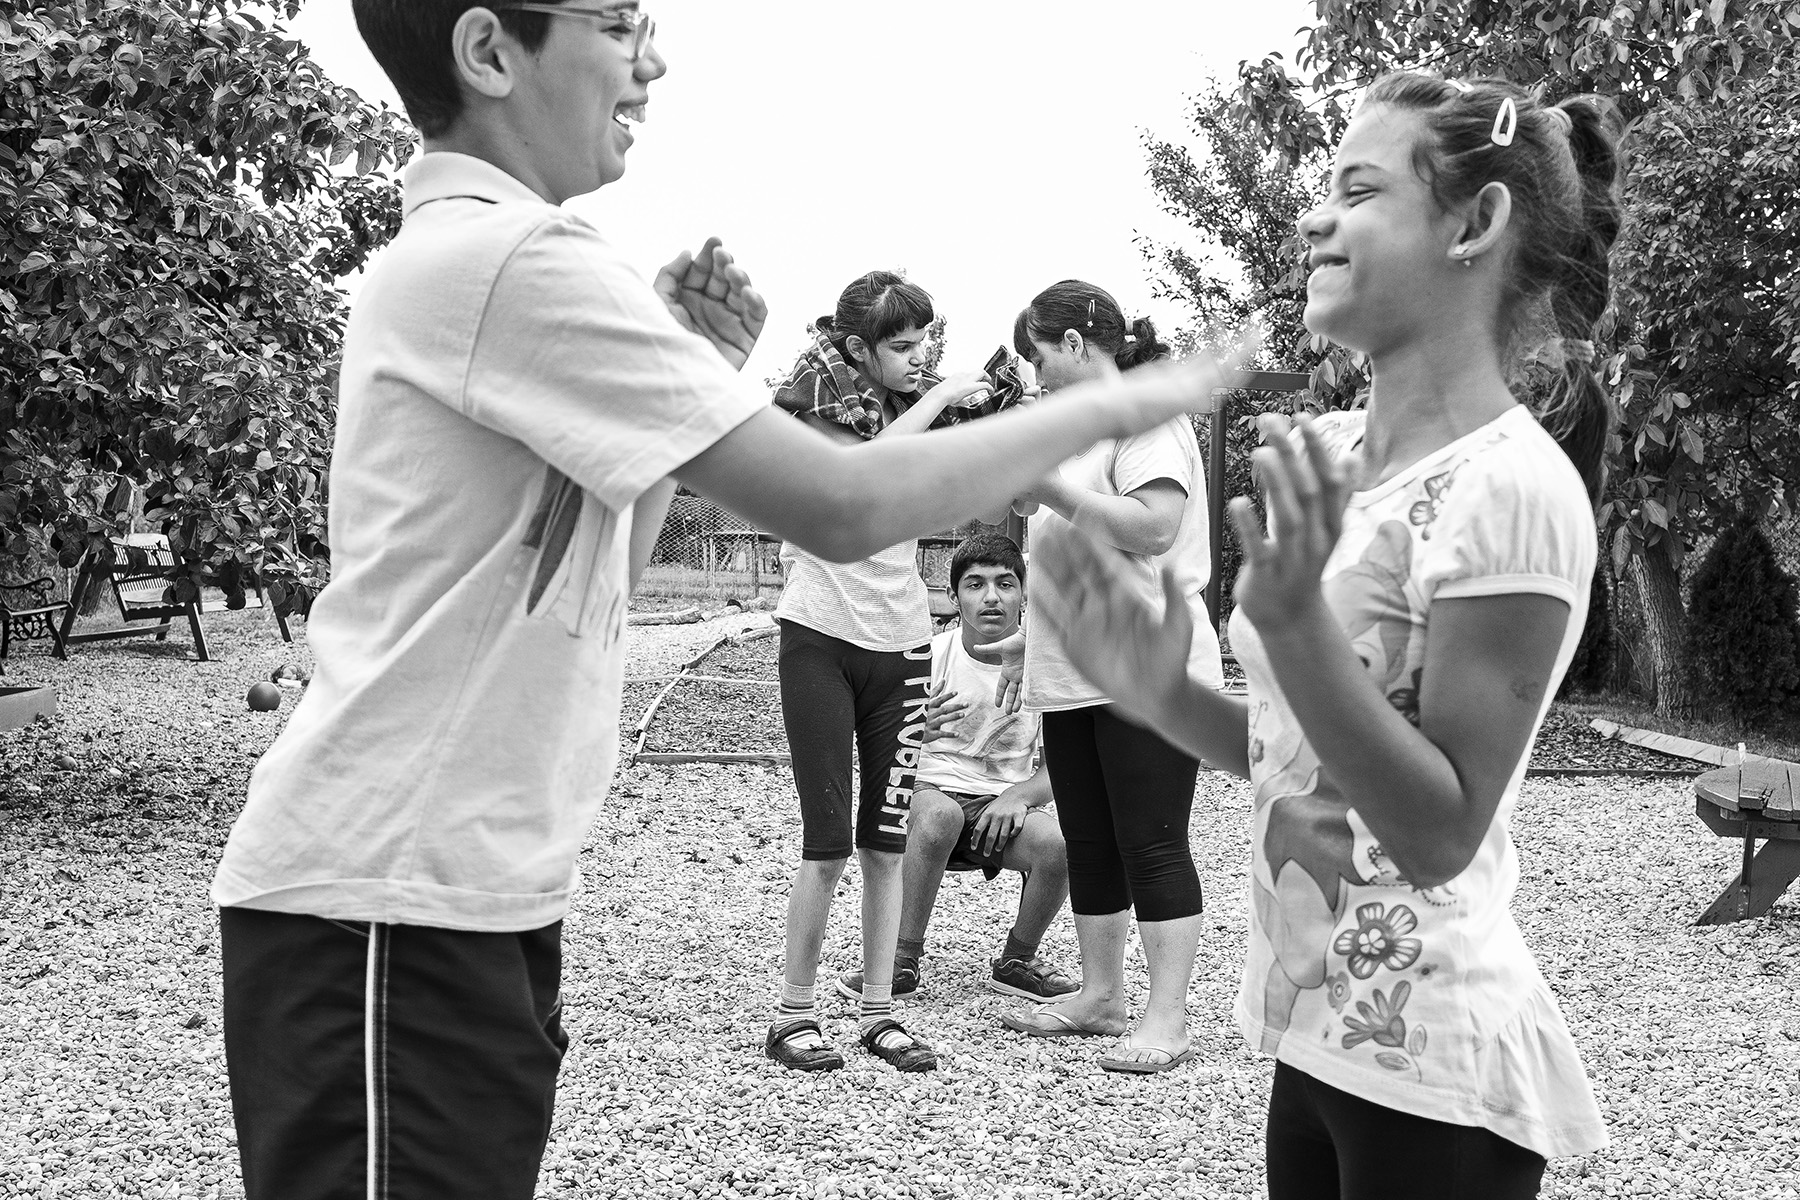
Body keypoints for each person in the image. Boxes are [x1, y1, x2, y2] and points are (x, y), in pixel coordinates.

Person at [210, 5, 1249, 1196]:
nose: (653, 58)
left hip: (452, 893)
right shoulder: (510, 259)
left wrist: (690, 369)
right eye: (618, 24)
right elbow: (849, 507)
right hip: (386, 901)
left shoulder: (486, 258)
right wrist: (1111, 405)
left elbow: (606, 550)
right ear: (490, 52)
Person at [1031, 74, 1618, 1199]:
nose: (1314, 218)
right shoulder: (1339, 453)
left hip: (1435, 1061)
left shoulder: (1514, 490)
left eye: (1357, 189)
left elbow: (1441, 827)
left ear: (1476, 224)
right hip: (1316, 1030)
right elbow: (1299, 752)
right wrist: (1161, 690)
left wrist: (1293, 627)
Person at [765, 272, 1006, 1075]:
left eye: (922, 345)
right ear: (858, 349)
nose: (917, 360)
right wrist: (942, 404)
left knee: (885, 843)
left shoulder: (921, 402)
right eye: (900, 347)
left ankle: (878, 1012)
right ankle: (793, 1013)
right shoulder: (814, 402)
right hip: (821, 639)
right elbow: (860, 477)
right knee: (827, 843)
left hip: (899, 642)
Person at [995, 282, 1222, 1076]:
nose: (1037, 373)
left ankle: (1167, 1018)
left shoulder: (1146, 416)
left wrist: (1051, 486)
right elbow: (1071, 548)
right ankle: (1101, 996)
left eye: (1042, 354)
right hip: (1076, 667)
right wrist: (1030, 639)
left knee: (1150, 841)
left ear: (1080, 344)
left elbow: (1154, 528)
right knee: (1091, 840)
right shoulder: (1078, 430)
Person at [834, 533, 1079, 1007]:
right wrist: (909, 730)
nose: (991, 597)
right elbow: (868, 739)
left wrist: (1019, 797)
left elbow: (1060, 768)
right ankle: (899, 959)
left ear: (1024, 594)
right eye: (975, 584)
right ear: (953, 597)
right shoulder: (927, 655)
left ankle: (1016, 962)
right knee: (939, 816)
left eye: (1006, 584)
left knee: (1060, 847)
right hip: (928, 794)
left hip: (999, 806)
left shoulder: (1045, 669)